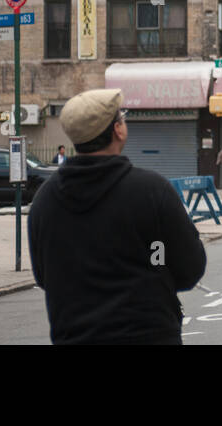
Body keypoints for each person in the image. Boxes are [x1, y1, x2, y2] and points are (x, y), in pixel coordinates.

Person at [28, 89, 206, 345]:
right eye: (121, 117)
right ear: (117, 130)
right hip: (149, 335)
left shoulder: (44, 201)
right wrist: (156, 265)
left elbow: (43, 275)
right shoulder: (152, 191)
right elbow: (189, 268)